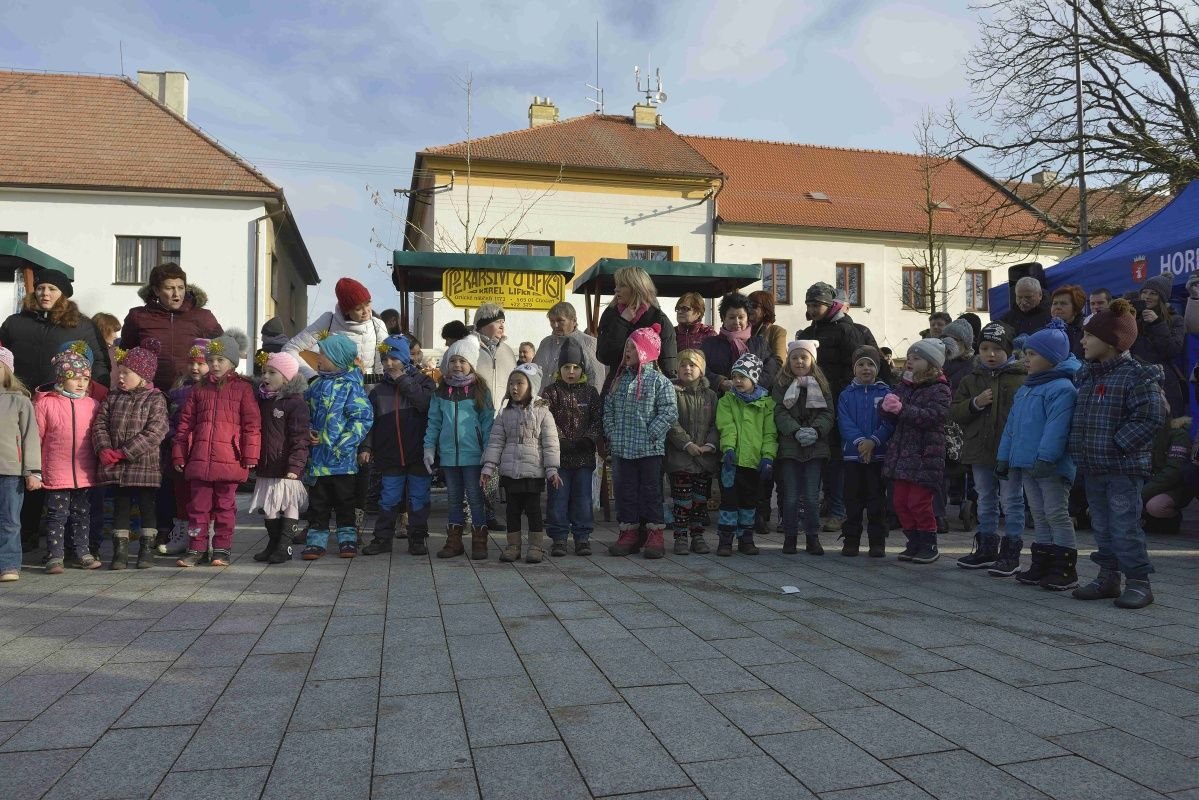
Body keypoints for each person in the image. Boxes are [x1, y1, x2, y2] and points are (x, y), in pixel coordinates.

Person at [2, 269, 109, 554]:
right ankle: (25, 535)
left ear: (63, 294)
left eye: (52, 288)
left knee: (64, 477)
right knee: (27, 468)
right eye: (41, 288)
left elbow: (100, 363)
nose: (45, 293)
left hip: (64, 408)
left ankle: (76, 544)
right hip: (21, 405)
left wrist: (93, 394)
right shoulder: (15, 323)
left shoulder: (81, 326)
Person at [1071, 299, 1169, 609]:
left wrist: (1118, 445)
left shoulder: (1136, 376)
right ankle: (1108, 577)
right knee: (1101, 525)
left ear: (1112, 341)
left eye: (1089, 336)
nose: (1083, 341)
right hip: (1094, 466)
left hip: (1123, 470)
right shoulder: (1088, 375)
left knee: (1124, 526)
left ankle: (1139, 582)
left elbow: (1151, 416)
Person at [995, 320, 1080, 586]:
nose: (1026, 360)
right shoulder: (1027, 388)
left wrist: (1046, 458)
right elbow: (1012, 427)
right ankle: (1042, 563)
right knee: (1039, 513)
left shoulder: (1063, 388)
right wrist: (1004, 456)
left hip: (1049, 466)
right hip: (1027, 464)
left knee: (1056, 512)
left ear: (1051, 357)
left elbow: (1057, 429)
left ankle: (1065, 568)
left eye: (1032, 354)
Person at [172, 335, 261, 567]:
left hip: (229, 458)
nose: (215, 364)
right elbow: (185, 425)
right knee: (197, 507)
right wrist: (180, 453)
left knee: (225, 507)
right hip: (200, 458)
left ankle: (221, 549)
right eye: (211, 360)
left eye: (220, 359)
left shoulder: (243, 389)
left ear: (232, 362)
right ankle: (196, 548)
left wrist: (250, 454)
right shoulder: (198, 390)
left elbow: (252, 425)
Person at [953, 323, 1027, 571]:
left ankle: (1011, 552)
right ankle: (986, 548)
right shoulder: (971, 379)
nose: (990, 354)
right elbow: (955, 411)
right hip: (980, 450)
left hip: (1010, 452)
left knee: (1012, 500)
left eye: (997, 349)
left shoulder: (1021, 378)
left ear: (1008, 350)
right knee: (985, 498)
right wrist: (975, 403)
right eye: (984, 348)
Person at [796, 282, 869, 533]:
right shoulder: (809, 332)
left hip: (838, 400)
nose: (812, 309)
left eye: (817, 304)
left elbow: (855, 365)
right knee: (820, 454)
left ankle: (838, 510)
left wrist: (843, 395)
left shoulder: (847, 330)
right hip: (813, 401)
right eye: (809, 304)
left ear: (830, 305)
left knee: (836, 456)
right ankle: (827, 503)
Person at [94, 338, 169, 570]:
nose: (121, 377)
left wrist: (125, 452)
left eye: (127, 373)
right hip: (117, 468)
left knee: (147, 506)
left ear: (143, 376)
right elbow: (99, 424)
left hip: (144, 465)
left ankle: (146, 550)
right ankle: (120, 552)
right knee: (121, 506)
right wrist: (104, 448)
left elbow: (155, 431)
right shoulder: (113, 397)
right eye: (120, 372)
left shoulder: (155, 399)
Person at [604, 323, 678, 558]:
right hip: (622, 448)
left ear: (646, 351)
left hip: (649, 449)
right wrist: (612, 433)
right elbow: (608, 409)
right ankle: (629, 532)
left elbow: (669, 411)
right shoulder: (618, 380)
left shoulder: (660, 382)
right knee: (625, 492)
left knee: (651, 492)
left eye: (633, 348)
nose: (627, 352)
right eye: (626, 347)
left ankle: (654, 533)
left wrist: (651, 433)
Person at [299, 334, 374, 560]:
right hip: (319, 460)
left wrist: (342, 446)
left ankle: (347, 538)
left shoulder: (352, 387)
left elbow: (362, 419)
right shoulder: (315, 385)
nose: (318, 358)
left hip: (343, 461)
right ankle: (316, 541)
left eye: (323, 354)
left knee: (345, 502)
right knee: (318, 503)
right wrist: (308, 430)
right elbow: (304, 413)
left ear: (337, 359)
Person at [360, 336, 435, 556]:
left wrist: (403, 380)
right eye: (385, 359)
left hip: (418, 453)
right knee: (389, 497)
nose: (389, 363)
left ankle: (417, 538)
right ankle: (382, 538)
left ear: (405, 358)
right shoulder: (378, 391)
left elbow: (424, 404)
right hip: (390, 454)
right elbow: (370, 423)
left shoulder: (424, 382)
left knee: (419, 497)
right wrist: (366, 447)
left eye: (394, 358)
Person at [879, 339, 951, 564]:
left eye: (916, 358)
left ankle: (929, 543)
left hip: (925, 455)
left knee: (918, 502)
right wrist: (886, 407)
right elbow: (893, 415)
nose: (910, 362)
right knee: (900, 502)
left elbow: (933, 416)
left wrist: (902, 409)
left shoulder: (940, 388)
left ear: (931, 363)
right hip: (903, 455)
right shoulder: (905, 385)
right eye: (909, 357)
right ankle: (913, 542)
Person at [423, 336, 494, 559]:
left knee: (474, 497)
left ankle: (479, 540)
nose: (457, 365)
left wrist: (488, 451)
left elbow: (487, 423)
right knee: (453, 498)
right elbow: (434, 422)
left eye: (462, 361)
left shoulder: (480, 390)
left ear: (471, 364)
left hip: (473, 455)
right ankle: (454, 541)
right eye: (453, 361)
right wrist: (429, 448)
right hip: (449, 455)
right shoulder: (440, 392)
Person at [482, 364, 560, 563]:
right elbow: (496, 442)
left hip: (533, 472)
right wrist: (489, 466)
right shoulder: (504, 413)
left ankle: (535, 546)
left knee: (534, 510)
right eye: (511, 383)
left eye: (519, 383)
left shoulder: (543, 412)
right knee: (512, 510)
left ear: (531, 386)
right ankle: (513, 545)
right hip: (510, 471)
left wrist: (552, 469)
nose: (514, 388)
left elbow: (551, 444)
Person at [36, 349, 101, 573]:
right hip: (56, 471)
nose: (81, 383)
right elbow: (37, 437)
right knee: (57, 515)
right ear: (61, 378)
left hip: (84, 472)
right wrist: (35, 469)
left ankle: (82, 552)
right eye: (75, 378)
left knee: (82, 514)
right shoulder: (45, 404)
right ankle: (55, 555)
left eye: (85, 378)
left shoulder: (92, 404)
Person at [541, 338, 603, 557]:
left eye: (575, 367)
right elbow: (545, 418)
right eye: (566, 367)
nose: (571, 372)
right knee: (558, 498)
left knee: (582, 499)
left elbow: (597, 420)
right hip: (559, 458)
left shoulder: (590, 393)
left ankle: (582, 537)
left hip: (583, 457)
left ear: (582, 369)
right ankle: (559, 538)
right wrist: (559, 440)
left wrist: (588, 439)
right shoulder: (551, 392)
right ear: (560, 369)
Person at [120, 262, 222, 391]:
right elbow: (125, 356)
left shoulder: (203, 317)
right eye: (169, 288)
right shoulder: (138, 316)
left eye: (181, 288)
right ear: (156, 290)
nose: (176, 294)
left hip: (192, 392)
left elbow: (223, 354)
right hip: (149, 393)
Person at [249, 351, 310, 564]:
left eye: (272, 372)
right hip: (268, 464)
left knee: (289, 503)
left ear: (286, 377)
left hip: (286, 466)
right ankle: (273, 543)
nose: (265, 376)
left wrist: (296, 465)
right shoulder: (263, 400)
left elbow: (300, 437)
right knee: (269, 507)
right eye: (264, 372)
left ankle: (285, 546)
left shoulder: (295, 403)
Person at [772, 340, 832, 555]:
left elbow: (827, 412)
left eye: (804, 357)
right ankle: (790, 536)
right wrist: (795, 430)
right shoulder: (781, 384)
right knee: (790, 496)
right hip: (790, 448)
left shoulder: (822, 385)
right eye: (794, 357)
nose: (799, 361)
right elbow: (779, 411)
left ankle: (812, 537)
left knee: (811, 496)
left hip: (815, 448)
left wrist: (815, 431)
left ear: (812, 360)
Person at [715, 353, 777, 556]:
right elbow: (727, 426)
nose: (737, 381)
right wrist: (728, 449)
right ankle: (725, 540)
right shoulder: (727, 401)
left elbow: (770, 434)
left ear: (754, 378)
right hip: (732, 463)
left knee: (749, 502)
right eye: (735, 376)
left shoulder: (767, 404)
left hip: (754, 463)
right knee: (729, 502)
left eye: (743, 376)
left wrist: (768, 457)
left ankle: (746, 538)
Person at [837, 346, 893, 558]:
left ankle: (877, 542)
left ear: (877, 367)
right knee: (852, 500)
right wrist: (861, 442)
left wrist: (874, 441)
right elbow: (844, 422)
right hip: (853, 456)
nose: (866, 368)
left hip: (878, 455)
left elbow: (890, 421)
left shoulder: (886, 393)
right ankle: (851, 540)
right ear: (854, 368)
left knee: (876, 501)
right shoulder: (846, 395)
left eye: (870, 364)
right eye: (861, 364)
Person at [664, 349, 718, 556]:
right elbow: (671, 421)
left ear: (701, 370)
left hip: (704, 458)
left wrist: (709, 445)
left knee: (700, 501)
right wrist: (686, 443)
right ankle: (680, 537)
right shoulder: (672, 392)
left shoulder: (711, 396)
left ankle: (697, 536)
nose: (687, 368)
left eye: (692, 365)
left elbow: (716, 424)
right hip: (680, 458)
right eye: (683, 365)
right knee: (682, 500)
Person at [158, 340, 209, 556]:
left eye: (201, 363)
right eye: (191, 363)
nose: (195, 368)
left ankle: (203, 536)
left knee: (201, 496)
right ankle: (181, 533)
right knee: (180, 494)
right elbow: (168, 419)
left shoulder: (212, 390)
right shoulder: (178, 390)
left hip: (202, 450)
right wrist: (173, 437)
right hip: (179, 450)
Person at [285, 277, 389, 380]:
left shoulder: (378, 325)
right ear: (346, 311)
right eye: (358, 309)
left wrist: (376, 386)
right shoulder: (328, 321)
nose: (366, 311)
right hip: (332, 388)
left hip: (369, 388)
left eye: (368, 303)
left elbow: (384, 366)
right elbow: (290, 349)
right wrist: (312, 377)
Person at [596, 265, 678, 385]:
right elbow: (604, 356)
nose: (616, 289)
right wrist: (622, 322)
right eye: (616, 285)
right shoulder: (610, 314)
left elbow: (668, 366)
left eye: (622, 285)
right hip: (616, 386)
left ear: (637, 288)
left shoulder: (659, 319)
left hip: (648, 388)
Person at [0, 347, 39, 582]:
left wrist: (32, 471)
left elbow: (30, 438)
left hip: (10, 471)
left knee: (9, 520)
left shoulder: (19, 401)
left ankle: (8, 565)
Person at [1132, 274, 1187, 416]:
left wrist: (1157, 324)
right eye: (1144, 292)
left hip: (1164, 382)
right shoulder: (1134, 318)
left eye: (1153, 293)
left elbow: (1172, 350)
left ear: (1162, 298)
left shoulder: (1175, 320)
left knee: (1165, 424)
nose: (1147, 296)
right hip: (1135, 380)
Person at [701, 292, 778, 393]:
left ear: (747, 318)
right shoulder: (710, 344)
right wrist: (720, 382)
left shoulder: (760, 344)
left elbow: (771, 369)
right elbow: (700, 368)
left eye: (741, 317)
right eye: (732, 317)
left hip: (755, 399)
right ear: (723, 318)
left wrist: (751, 386)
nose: (737, 322)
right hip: (720, 399)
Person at [532, 302, 605, 389]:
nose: (555, 325)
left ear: (574, 321)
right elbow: (534, 372)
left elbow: (597, 379)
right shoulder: (545, 343)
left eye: (560, 321)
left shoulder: (589, 343)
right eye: (552, 321)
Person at [1142, 415, 1194, 534]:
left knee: (1155, 506)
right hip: (1146, 481)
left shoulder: (1179, 435)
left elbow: (1173, 472)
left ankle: (1171, 521)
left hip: (1170, 486)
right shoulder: (1141, 429)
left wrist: (1142, 494)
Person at [748, 290, 789, 370]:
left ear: (766, 310)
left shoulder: (776, 331)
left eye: (754, 306)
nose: (749, 310)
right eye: (747, 306)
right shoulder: (742, 331)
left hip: (766, 376)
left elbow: (780, 363)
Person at [1049, 284, 1086, 360]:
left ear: (1076, 308)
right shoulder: (1046, 331)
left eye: (1063, 303)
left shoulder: (1085, 332)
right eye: (1055, 303)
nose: (1057, 307)